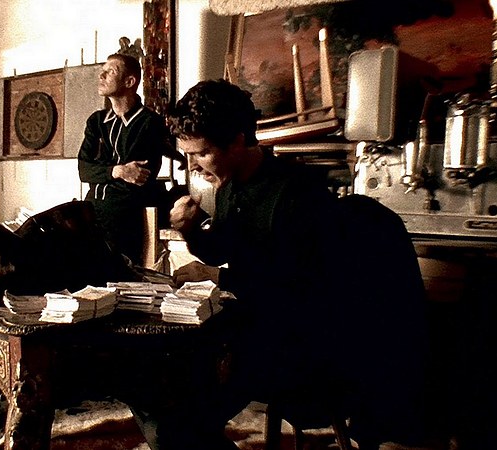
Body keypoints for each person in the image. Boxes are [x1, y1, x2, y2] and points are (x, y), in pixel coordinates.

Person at [151, 79, 431, 450]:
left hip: (304, 347)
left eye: (201, 153)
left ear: (236, 141)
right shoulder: (230, 184)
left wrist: (219, 277)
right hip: (262, 329)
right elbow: (225, 249)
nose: (193, 166)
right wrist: (190, 230)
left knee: (179, 418)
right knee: (167, 397)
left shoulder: (298, 192)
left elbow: (298, 285)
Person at [77, 52, 182, 266]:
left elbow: (135, 180)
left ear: (130, 81)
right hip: (90, 212)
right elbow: (83, 170)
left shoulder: (149, 123)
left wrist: (101, 171)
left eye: (110, 71)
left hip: (122, 217)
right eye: (102, 71)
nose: (101, 75)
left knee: (118, 275)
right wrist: (117, 170)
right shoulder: (97, 121)